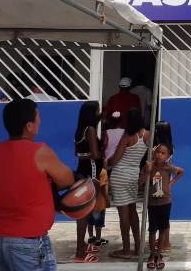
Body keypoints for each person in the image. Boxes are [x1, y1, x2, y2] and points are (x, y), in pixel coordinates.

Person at [0, 99, 74, 271]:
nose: (40, 120)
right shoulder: (40, 151)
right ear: (29, 126)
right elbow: (67, 179)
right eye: (38, 116)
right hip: (27, 241)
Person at [108, 109, 150, 259]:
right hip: (133, 176)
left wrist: (107, 161)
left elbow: (116, 160)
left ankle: (126, 249)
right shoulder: (148, 135)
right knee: (133, 211)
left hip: (119, 176)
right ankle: (138, 247)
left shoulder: (127, 136)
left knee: (123, 214)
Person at [139, 143, 184, 269]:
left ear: (168, 156)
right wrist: (147, 172)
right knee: (152, 229)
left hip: (165, 203)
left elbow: (181, 171)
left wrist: (171, 183)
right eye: (158, 152)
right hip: (152, 204)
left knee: (163, 228)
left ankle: (159, 254)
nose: (159, 155)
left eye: (163, 153)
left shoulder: (168, 168)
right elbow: (140, 183)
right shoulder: (149, 166)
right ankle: (152, 254)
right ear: (154, 153)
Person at [73, 101, 103, 264]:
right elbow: (96, 155)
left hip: (81, 171)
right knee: (85, 213)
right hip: (91, 173)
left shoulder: (79, 130)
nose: (99, 114)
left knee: (82, 212)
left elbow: (78, 154)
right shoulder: (90, 130)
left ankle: (81, 246)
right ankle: (80, 252)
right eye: (98, 111)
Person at [87, 168, 109, 247]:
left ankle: (91, 237)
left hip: (89, 203)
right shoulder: (103, 171)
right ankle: (98, 240)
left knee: (90, 222)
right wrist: (107, 199)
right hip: (99, 203)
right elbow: (102, 187)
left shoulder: (88, 170)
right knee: (98, 223)